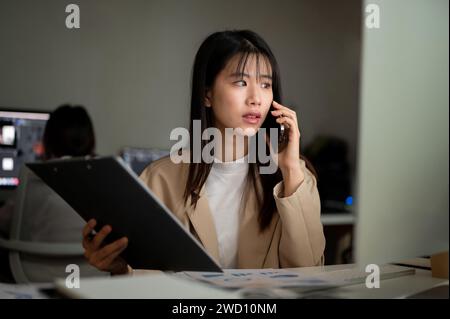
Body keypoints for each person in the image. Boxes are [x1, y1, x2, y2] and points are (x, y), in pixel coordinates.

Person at [82, 30, 326, 275]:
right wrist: (120, 267)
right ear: (207, 94)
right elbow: (148, 277)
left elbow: (309, 271)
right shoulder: (159, 180)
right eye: (241, 82)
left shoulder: (294, 175)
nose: (256, 99)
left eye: (265, 84)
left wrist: (291, 169)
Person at [1, 104, 104, 282]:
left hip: (31, 276)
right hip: (91, 277)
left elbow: (4, 223)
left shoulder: (32, 175)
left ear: (48, 139)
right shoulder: (105, 178)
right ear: (90, 139)